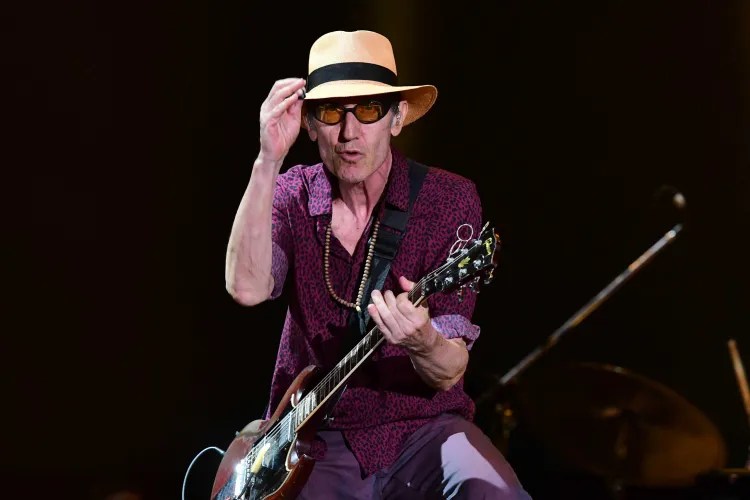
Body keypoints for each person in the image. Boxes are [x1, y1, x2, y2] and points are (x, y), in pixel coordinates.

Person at [225, 29, 531, 499]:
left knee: (494, 491)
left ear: (397, 117)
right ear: (310, 124)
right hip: (317, 437)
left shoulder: (448, 200)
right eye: (332, 112)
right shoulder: (292, 195)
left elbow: (449, 369)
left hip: (424, 427)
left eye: (368, 109)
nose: (349, 132)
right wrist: (268, 159)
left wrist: (422, 340)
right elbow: (246, 288)